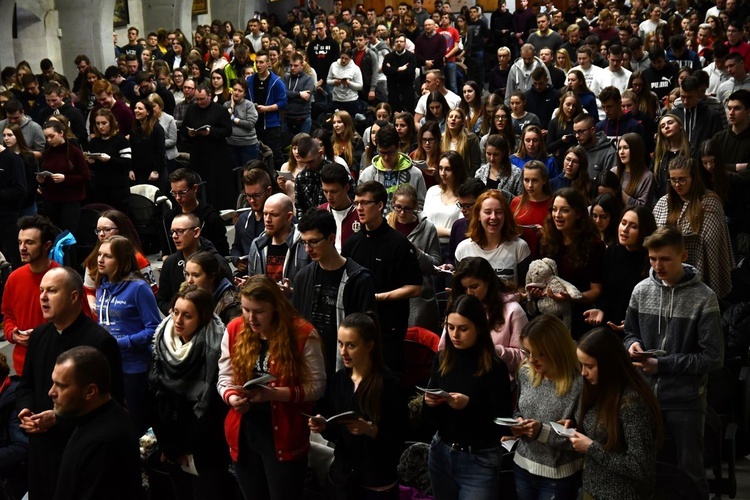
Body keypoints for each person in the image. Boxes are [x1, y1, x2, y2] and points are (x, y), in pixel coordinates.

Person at [623, 226, 723, 499]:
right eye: (653, 259)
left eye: (665, 259)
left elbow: (712, 358)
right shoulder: (641, 290)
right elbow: (629, 331)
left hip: (685, 399)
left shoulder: (704, 297)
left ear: (683, 255)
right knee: (644, 469)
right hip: (645, 395)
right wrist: (631, 343)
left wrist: (662, 365)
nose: (658, 266)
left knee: (690, 472)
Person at [16, 266, 123, 500]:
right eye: (41, 290)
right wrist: (25, 410)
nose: (43, 296)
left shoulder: (99, 342)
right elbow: (27, 385)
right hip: (40, 450)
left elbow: (112, 405)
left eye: (52, 291)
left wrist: (58, 419)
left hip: (78, 450)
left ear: (74, 296)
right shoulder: (39, 336)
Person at [217, 274, 326, 499]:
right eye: (246, 309)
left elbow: (317, 387)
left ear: (276, 307)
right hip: (244, 431)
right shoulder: (235, 328)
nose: (251, 318)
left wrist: (275, 394)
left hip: (284, 434)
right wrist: (231, 397)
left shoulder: (302, 334)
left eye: (259, 311)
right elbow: (224, 377)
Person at [148, 285, 236, 499]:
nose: (178, 320)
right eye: (175, 312)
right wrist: (170, 448)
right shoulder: (162, 341)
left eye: (187, 315)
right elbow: (153, 395)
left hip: (206, 450)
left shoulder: (217, 349)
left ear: (203, 317)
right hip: (170, 445)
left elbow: (213, 411)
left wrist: (183, 449)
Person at [422, 294, 512, 500]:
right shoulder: (443, 359)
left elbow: (502, 422)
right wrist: (429, 403)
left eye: (463, 329)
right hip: (441, 452)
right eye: (451, 327)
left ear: (479, 328)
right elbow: (428, 420)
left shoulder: (495, 367)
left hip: (479, 459)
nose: (455, 335)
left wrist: (469, 405)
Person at [309, 312, 406, 499]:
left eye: (351, 345)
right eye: (340, 344)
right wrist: (323, 426)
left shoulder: (389, 385)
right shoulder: (339, 380)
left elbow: (398, 438)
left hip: (375, 482)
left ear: (369, 346)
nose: (343, 352)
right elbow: (336, 433)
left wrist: (370, 429)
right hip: (343, 478)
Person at [569, 328, 662, 499]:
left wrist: (590, 447)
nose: (583, 372)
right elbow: (599, 432)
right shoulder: (596, 389)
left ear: (608, 364)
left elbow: (640, 467)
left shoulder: (632, 404)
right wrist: (573, 427)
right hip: (592, 489)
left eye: (589, 366)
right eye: (581, 365)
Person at [342, 181, 422, 375]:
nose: (359, 208)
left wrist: (379, 297)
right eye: (357, 203)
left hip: (388, 331)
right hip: (356, 330)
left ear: (379, 206)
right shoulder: (352, 243)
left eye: (365, 203)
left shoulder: (398, 244)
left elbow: (415, 287)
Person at [293, 209, 376, 380]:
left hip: (346, 368)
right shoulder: (303, 277)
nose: (308, 249)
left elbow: (367, 331)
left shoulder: (359, 279)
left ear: (331, 239)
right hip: (311, 365)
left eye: (314, 242)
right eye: (304, 243)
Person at [50, 346, 140, 500]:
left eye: (61, 386)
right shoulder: (98, 416)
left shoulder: (103, 443)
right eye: (54, 383)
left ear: (90, 391)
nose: (51, 392)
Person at [511, 314, 583, 499]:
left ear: (557, 350)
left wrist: (540, 431)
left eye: (540, 353)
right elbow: (519, 409)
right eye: (527, 352)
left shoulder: (579, 383)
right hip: (522, 466)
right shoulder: (525, 371)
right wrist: (517, 422)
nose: (532, 360)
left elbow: (584, 438)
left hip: (559, 476)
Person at [93, 235, 160, 432]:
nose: (100, 260)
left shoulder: (138, 288)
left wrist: (122, 342)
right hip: (108, 364)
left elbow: (153, 329)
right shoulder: (101, 287)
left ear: (122, 260)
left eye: (107, 256)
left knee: (137, 421)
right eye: (99, 254)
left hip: (135, 366)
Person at [653, 155, 735, 299]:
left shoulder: (710, 201)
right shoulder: (664, 202)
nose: (677, 184)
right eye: (673, 180)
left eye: (682, 179)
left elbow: (709, 242)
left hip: (698, 268)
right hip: (667, 270)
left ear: (693, 178)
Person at [439, 257, 528, 381]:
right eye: (464, 289)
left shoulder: (513, 311)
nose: (469, 293)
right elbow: (443, 349)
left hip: (497, 382)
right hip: (461, 378)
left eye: (474, 287)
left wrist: (493, 351)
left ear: (488, 282)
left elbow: (526, 358)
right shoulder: (459, 307)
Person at [538, 188, 605, 338]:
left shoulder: (594, 246)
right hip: (549, 313)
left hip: (579, 315)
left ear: (578, 214)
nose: (557, 215)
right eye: (554, 210)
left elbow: (596, 290)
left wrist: (573, 297)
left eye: (564, 210)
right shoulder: (545, 239)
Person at [2, 216, 60, 375]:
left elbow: (79, 323)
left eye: (29, 242)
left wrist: (42, 337)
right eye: (20, 242)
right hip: (23, 366)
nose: (22, 248)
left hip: (56, 365)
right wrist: (13, 333)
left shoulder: (64, 279)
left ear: (47, 245)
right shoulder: (14, 278)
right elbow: (8, 315)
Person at [584, 205, 656, 333]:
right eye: (623, 223)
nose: (625, 229)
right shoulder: (611, 253)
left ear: (645, 231)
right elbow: (606, 292)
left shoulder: (652, 260)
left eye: (633, 226)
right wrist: (602, 310)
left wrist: (632, 322)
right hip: (609, 323)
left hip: (640, 327)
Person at [386, 184, 443, 334]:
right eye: (398, 207)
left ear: (415, 207)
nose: (402, 213)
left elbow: (436, 265)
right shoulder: (386, 225)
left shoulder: (427, 228)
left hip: (420, 301)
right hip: (392, 296)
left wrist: (417, 252)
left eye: (407, 208)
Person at [456, 189, 531, 290]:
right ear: (478, 215)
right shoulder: (463, 248)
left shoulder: (520, 247)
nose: (493, 217)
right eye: (487, 212)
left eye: (499, 212)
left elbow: (523, 287)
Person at [157, 212, 232, 315]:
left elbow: (229, 296)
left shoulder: (216, 262)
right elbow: (162, 299)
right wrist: (174, 311)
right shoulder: (170, 263)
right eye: (172, 232)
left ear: (196, 232)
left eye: (180, 231)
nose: (174, 236)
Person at [83, 209, 157, 310]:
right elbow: (89, 290)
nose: (101, 234)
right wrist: (93, 305)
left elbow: (152, 293)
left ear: (120, 230)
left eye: (107, 229)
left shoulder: (138, 259)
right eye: (98, 230)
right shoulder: (93, 260)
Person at [181, 85, 234, 209]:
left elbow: (228, 130)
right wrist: (189, 132)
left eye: (202, 99)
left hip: (216, 153)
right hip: (198, 153)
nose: (200, 102)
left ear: (210, 96)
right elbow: (184, 128)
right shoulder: (192, 109)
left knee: (215, 186)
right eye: (197, 99)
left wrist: (211, 132)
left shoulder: (220, 110)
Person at [37, 120, 90, 234]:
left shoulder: (74, 152)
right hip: (51, 199)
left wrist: (65, 178)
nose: (49, 140)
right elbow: (46, 176)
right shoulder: (47, 153)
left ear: (61, 133)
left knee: (67, 236)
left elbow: (86, 177)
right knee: (53, 233)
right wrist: (42, 180)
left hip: (70, 200)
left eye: (52, 136)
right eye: (46, 137)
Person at [247, 193, 310, 288]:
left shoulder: (303, 245)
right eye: (265, 214)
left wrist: (292, 293)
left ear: (289, 217)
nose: (267, 219)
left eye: (274, 215)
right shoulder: (257, 245)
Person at [162, 167, 229, 258]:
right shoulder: (169, 217)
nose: (178, 197)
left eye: (182, 193)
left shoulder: (210, 217)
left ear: (195, 188)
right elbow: (166, 252)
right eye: (174, 193)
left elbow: (222, 253)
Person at [359, 124, 427, 212]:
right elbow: (361, 204)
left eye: (391, 152)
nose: (386, 157)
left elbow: (421, 206)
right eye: (382, 152)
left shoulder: (415, 174)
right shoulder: (367, 175)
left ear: (398, 146)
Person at [86, 109, 131, 213]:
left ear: (111, 123)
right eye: (98, 123)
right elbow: (92, 166)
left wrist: (109, 159)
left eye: (104, 123)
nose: (100, 127)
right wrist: (91, 162)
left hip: (118, 188)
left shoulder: (121, 140)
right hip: (100, 186)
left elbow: (127, 163)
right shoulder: (95, 141)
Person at [247, 51, 287, 170]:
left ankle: (280, 180)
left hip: (271, 125)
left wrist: (266, 109)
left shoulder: (276, 81)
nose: (258, 65)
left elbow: (283, 102)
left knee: (275, 155)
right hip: (254, 124)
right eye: (256, 62)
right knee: (256, 155)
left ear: (268, 64)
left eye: (261, 62)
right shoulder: (249, 80)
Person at [231, 167, 272, 273]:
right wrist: (237, 260)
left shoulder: (280, 219)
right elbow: (236, 247)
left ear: (268, 191)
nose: (252, 201)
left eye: (257, 196)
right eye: (248, 196)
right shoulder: (243, 220)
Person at [184, 251, 241, 326]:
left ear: (212, 277)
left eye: (196, 275)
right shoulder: (190, 296)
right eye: (187, 274)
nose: (189, 280)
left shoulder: (231, 305)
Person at [511, 160, 553, 257]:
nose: (530, 185)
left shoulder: (553, 204)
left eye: (535, 180)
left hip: (545, 257)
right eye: (526, 180)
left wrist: (545, 233)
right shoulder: (516, 202)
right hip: (519, 256)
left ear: (544, 180)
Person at [129, 98, 166, 189]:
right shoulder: (135, 128)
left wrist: (156, 170)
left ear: (148, 112)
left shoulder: (157, 128)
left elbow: (160, 151)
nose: (136, 111)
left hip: (152, 172)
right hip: (138, 171)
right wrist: (130, 169)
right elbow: (131, 149)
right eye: (135, 108)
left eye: (140, 109)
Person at [612, 133, 655, 207]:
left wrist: (618, 191)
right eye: (619, 148)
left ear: (636, 150)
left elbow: (642, 206)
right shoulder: (614, 172)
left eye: (625, 148)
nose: (621, 152)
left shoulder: (647, 176)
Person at [573, 114, 617, 183]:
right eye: (575, 132)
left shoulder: (609, 153)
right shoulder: (577, 151)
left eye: (580, 132)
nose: (577, 136)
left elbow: (610, 184)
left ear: (592, 130)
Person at [383, 34, 417, 113]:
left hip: (407, 90)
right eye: (397, 41)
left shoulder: (411, 56)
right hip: (393, 91)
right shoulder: (388, 56)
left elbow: (410, 73)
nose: (399, 43)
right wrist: (399, 69)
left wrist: (392, 69)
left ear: (405, 43)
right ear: (394, 43)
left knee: (409, 114)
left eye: (401, 41)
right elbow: (385, 70)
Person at [442, 108, 481, 176]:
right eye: (451, 117)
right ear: (447, 121)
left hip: (464, 179)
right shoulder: (442, 139)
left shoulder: (471, 138)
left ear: (462, 122)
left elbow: (475, 165)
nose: (453, 119)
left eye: (457, 117)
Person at [147, 93, 178, 174]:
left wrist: (157, 144)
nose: (151, 109)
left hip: (168, 157)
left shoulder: (169, 119)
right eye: (149, 107)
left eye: (153, 106)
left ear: (160, 106)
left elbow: (172, 140)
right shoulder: (146, 120)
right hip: (152, 157)